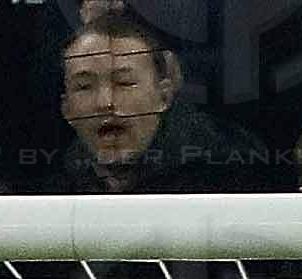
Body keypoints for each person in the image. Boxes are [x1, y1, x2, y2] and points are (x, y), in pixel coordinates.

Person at [52, 7, 273, 196]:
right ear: (66, 109)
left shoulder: (232, 171)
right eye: (84, 86)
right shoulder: (53, 185)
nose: (105, 102)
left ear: (164, 95)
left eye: (124, 83)